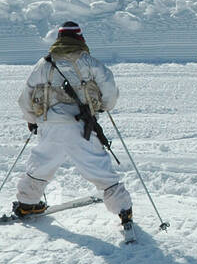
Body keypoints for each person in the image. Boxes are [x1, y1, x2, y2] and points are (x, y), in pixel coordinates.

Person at [15, 21, 134, 228]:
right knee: (99, 168)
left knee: (41, 164)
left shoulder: (43, 64)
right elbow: (109, 89)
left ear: (59, 39)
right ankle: (123, 211)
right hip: (81, 126)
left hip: (50, 126)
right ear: (80, 38)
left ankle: (27, 204)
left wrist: (31, 120)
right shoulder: (89, 62)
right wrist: (103, 107)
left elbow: (25, 97)